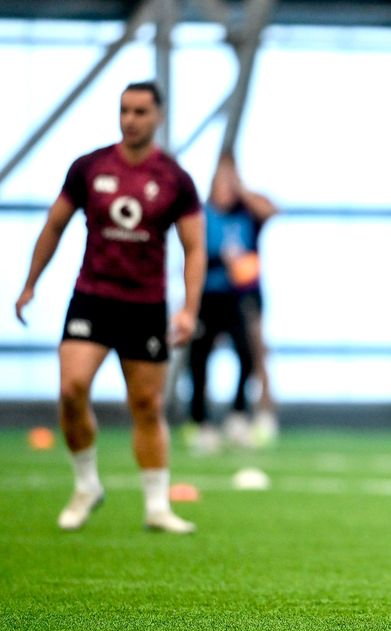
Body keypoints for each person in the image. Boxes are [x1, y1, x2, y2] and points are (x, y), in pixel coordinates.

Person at [15, 81, 205, 534]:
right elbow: (55, 225)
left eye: (140, 111)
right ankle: (86, 486)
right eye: (124, 110)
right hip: (93, 297)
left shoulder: (175, 179)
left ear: (158, 116)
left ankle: (157, 507)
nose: (130, 119)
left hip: (145, 304)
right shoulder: (89, 167)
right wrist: (30, 283)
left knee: (145, 403)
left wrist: (188, 309)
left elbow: (194, 248)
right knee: (71, 389)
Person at [187, 152, 278, 452]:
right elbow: (191, 253)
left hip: (240, 298)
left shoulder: (246, 214)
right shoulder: (202, 214)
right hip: (208, 296)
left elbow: (271, 210)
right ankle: (200, 422)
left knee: (248, 354)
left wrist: (240, 189)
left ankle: (239, 414)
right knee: (199, 359)